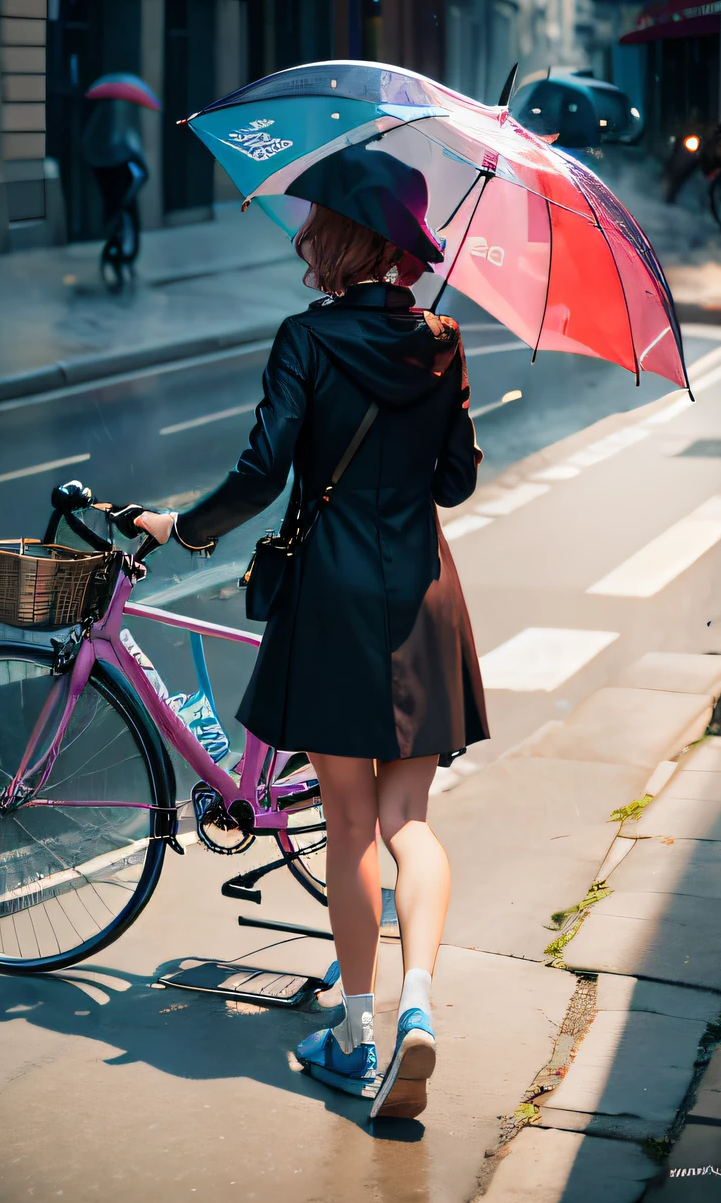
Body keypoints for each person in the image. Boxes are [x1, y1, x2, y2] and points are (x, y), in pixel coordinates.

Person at [134, 187, 488, 1124]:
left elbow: (262, 472)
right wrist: (444, 398)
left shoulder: (306, 338)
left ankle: (356, 1031)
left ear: (338, 242)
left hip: (329, 598)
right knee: (411, 819)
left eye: (314, 228)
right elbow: (455, 478)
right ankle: (419, 1001)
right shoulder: (445, 341)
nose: (301, 239)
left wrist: (182, 526)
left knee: (349, 824)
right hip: (420, 591)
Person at [80, 96, 149, 287]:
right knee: (120, 226)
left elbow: (141, 171)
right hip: (120, 194)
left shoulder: (121, 140)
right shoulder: (110, 142)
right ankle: (117, 257)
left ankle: (120, 258)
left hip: (124, 194)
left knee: (124, 226)